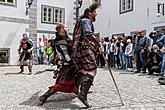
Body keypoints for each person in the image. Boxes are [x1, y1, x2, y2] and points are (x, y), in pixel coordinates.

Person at [38, 23, 79, 105]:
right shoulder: (60, 42)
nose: (68, 28)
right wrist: (73, 61)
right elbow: (66, 55)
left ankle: (78, 91)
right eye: (66, 27)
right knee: (62, 84)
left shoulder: (65, 39)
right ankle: (45, 96)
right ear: (61, 30)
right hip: (66, 65)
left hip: (68, 65)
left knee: (74, 78)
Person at [71, 2, 101, 108]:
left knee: (83, 71)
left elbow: (84, 37)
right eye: (94, 12)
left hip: (76, 50)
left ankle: (76, 88)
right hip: (82, 49)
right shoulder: (86, 20)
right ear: (89, 13)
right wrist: (98, 45)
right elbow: (88, 34)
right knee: (93, 69)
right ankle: (82, 95)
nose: (96, 14)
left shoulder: (80, 21)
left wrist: (94, 47)